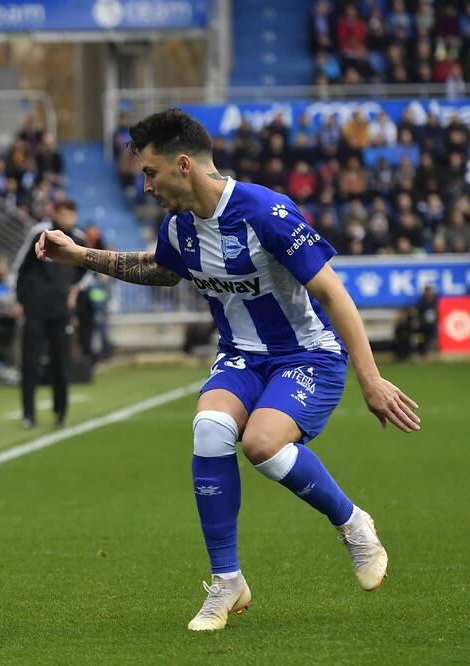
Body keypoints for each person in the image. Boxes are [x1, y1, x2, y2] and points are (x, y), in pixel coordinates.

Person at [35, 109, 419, 631]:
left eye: (150, 172)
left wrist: (370, 379)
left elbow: (333, 293)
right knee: (210, 428)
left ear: (184, 165)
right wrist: (80, 254)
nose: (146, 186)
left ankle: (352, 523)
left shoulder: (265, 212)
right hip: (240, 356)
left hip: (306, 355)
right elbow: (161, 270)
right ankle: (227, 581)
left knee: (261, 445)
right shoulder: (178, 225)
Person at [11, 199, 87, 428]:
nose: (67, 218)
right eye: (63, 213)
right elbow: (20, 267)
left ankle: (60, 414)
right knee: (30, 364)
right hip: (35, 309)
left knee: (61, 364)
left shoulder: (80, 239)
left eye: (71, 214)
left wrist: (75, 289)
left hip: (61, 312)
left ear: (76, 216)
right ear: (56, 214)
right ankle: (28, 415)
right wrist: (19, 300)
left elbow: (88, 271)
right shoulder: (40, 232)